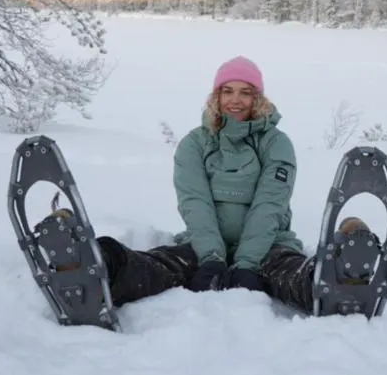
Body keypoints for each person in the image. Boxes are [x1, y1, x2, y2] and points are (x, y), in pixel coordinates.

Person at [93, 55, 365, 315]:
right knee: (158, 267)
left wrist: (247, 262)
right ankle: (98, 264)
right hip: (203, 242)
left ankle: (342, 279)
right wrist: (211, 257)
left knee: (290, 275)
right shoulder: (195, 143)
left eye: (245, 92)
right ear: (216, 96)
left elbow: (271, 203)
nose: (235, 100)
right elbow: (194, 201)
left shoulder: (276, 143)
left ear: (257, 98)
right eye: (228, 91)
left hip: (268, 244)